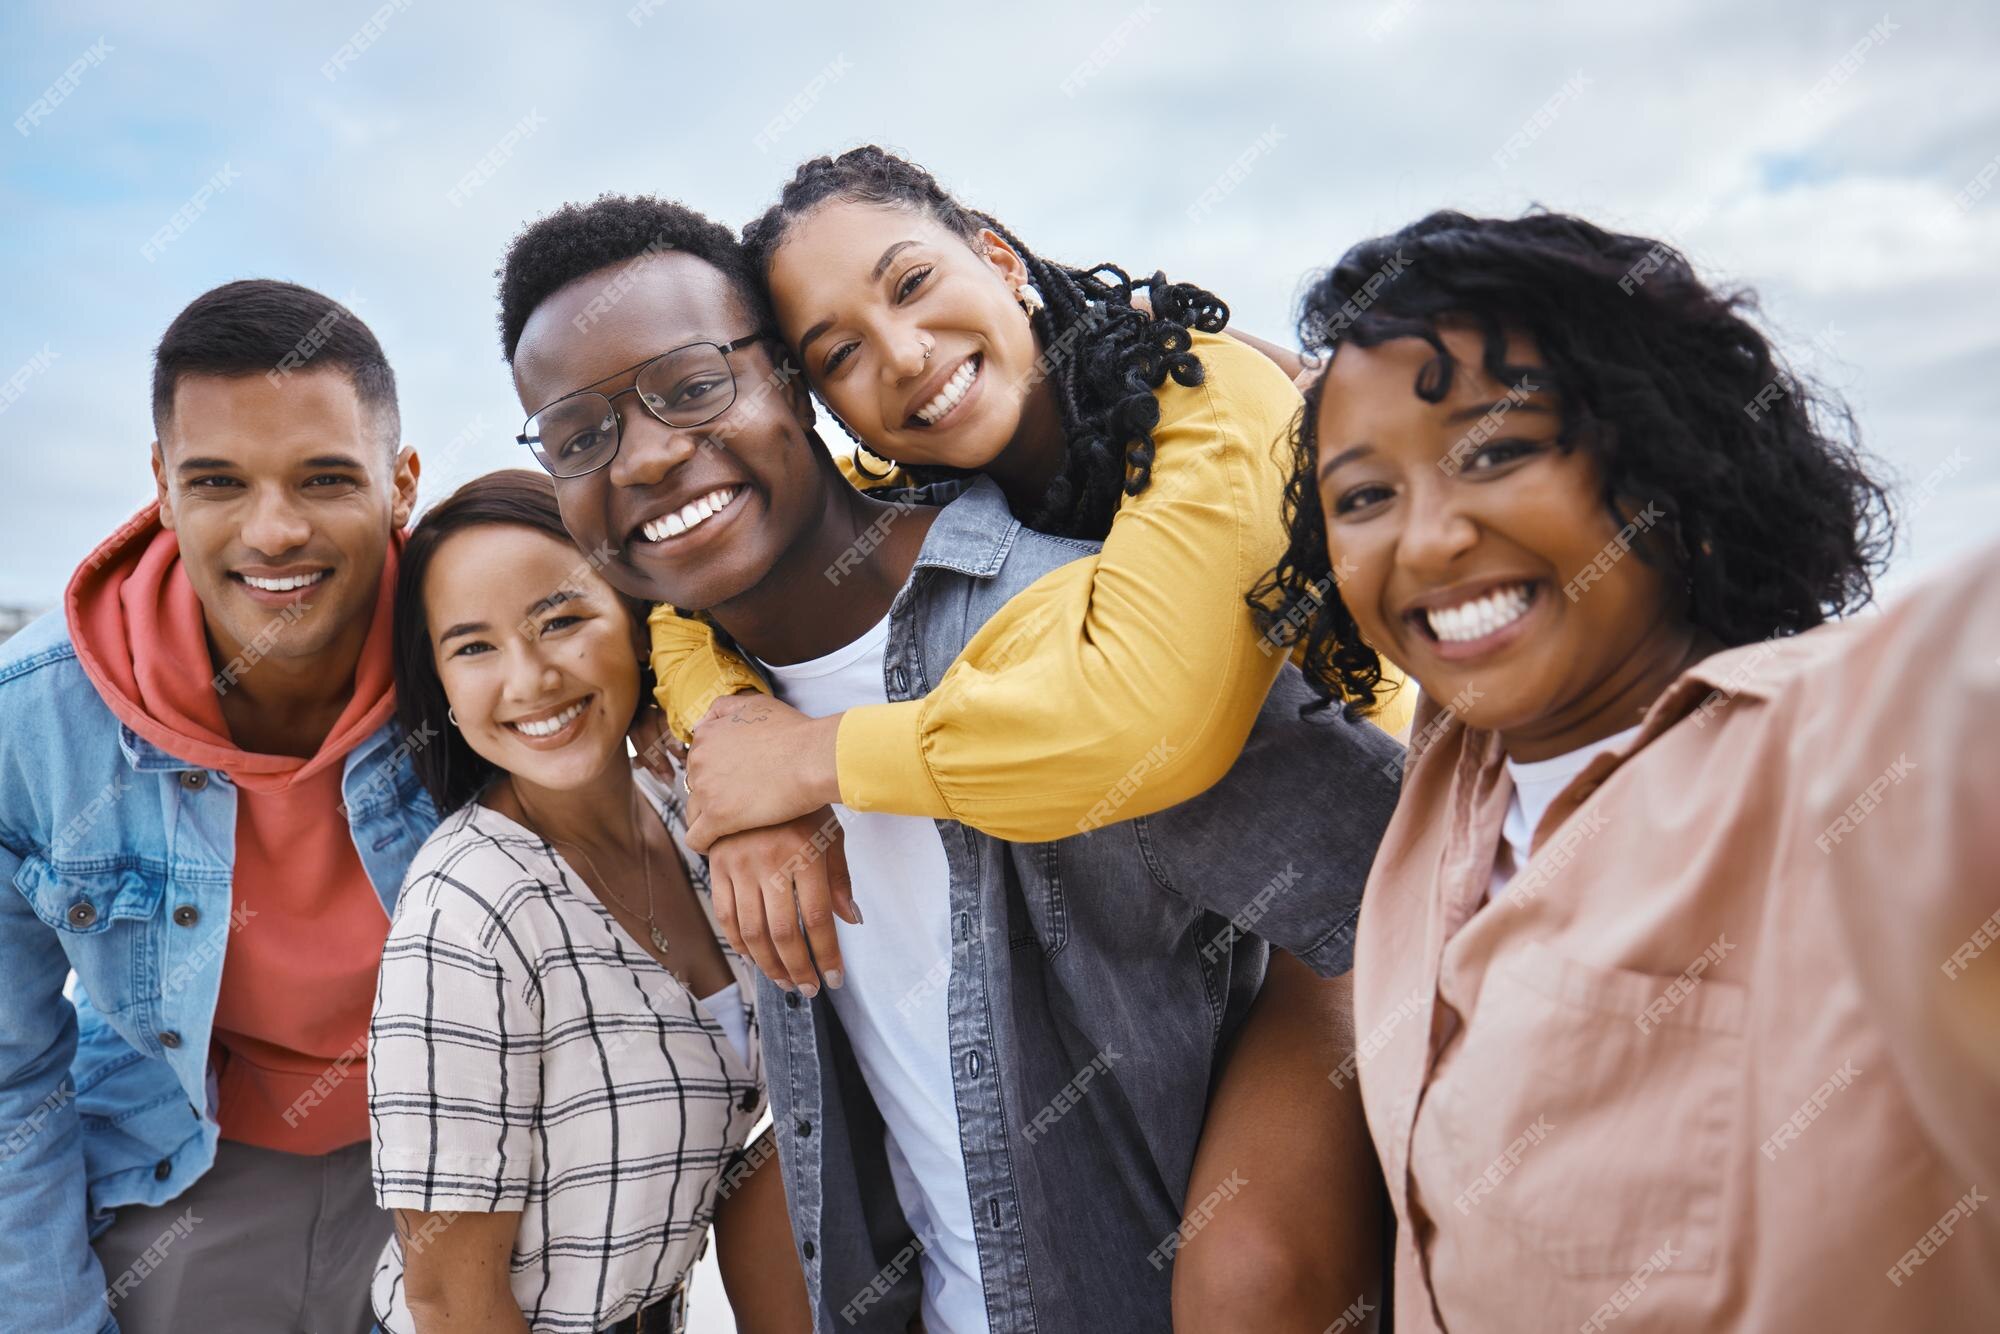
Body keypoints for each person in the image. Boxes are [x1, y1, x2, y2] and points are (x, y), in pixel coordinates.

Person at [498, 194, 1400, 1333]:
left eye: (690, 386)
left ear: (790, 386)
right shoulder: (692, 712)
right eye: (580, 435)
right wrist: (734, 761)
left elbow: (1421, 903)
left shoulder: (1074, 631)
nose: (649, 456)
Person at [1251, 208, 2000, 1331]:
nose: (1426, 537)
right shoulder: (1452, 776)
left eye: (1496, 451)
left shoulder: (1842, 743)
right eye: (1363, 495)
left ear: (1671, 467)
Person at [608, 148, 1412, 995]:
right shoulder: (921, 494)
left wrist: (808, 760)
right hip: (1192, 949)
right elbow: (691, 614)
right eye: (840, 354)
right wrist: (733, 744)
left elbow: (1140, 716)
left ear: (998, 259)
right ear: (821, 408)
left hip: (1372, 898)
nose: (904, 354)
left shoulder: (1204, 389)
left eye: (911, 283)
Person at [0, 279, 431, 1333]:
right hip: (176, 1167)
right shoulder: (35, 723)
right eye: (218, 481)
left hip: (450, 1157)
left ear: (400, 482)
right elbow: (9, 1080)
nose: (272, 530)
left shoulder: (489, 664)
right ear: (161, 487)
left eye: (325, 477)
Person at [366, 469, 807, 1334]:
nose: (529, 680)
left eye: (561, 621)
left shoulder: (684, 813)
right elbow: (449, 1301)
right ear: (443, 692)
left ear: (640, 625)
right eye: (473, 647)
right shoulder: (467, 909)